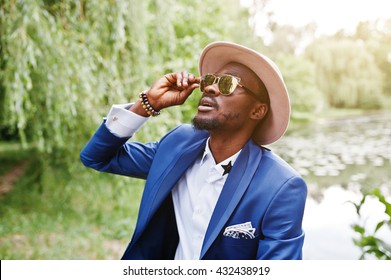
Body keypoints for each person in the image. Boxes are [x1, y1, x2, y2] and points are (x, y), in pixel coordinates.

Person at [80, 41, 307, 260]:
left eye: (228, 83)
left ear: (257, 110)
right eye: (210, 80)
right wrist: (148, 103)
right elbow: (97, 157)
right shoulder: (178, 143)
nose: (209, 87)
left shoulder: (281, 187)